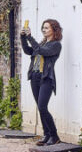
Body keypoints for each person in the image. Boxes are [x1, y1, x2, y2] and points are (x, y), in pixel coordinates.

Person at [20, 19, 63, 147]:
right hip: (35, 76)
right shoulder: (42, 43)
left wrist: (29, 36)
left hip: (46, 78)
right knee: (40, 107)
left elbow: (41, 51)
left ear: (54, 30)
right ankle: (47, 135)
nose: (44, 30)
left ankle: (54, 136)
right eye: (43, 28)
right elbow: (29, 51)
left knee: (43, 107)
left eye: (47, 28)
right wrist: (23, 38)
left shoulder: (55, 45)